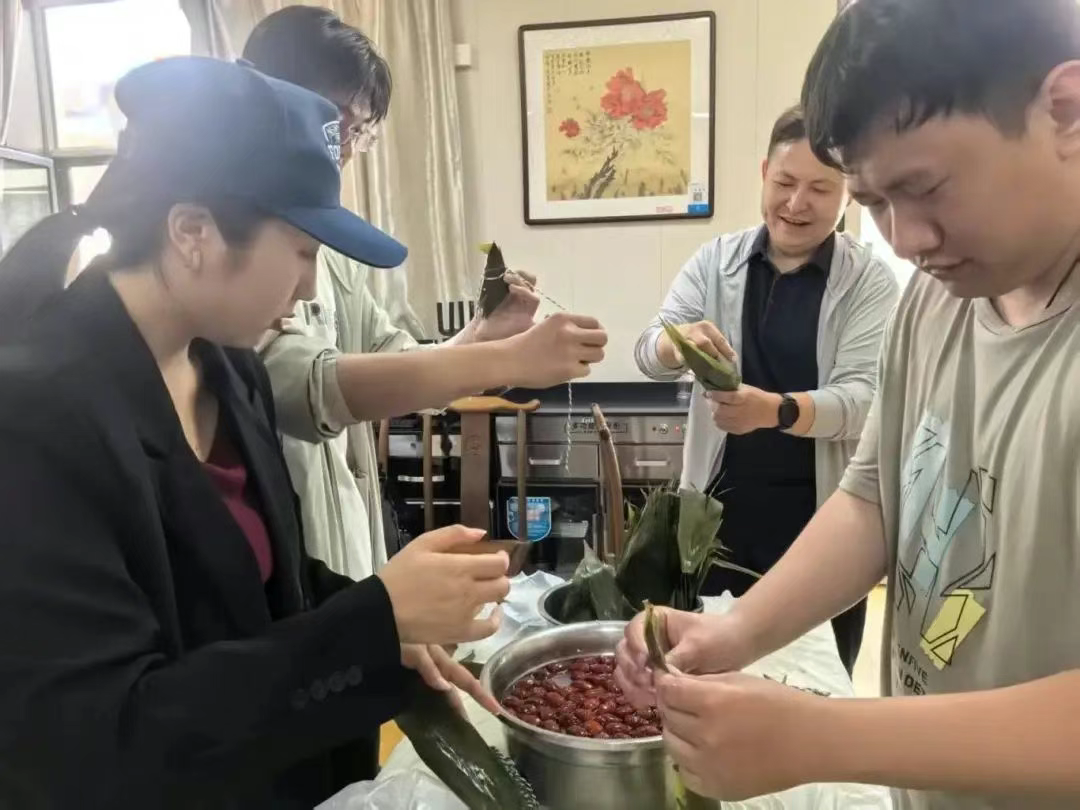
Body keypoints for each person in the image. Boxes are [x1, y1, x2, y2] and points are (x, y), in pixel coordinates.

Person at [0, 56, 605, 809]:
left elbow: (273, 584)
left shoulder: (230, 369)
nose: (311, 285)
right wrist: (373, 618)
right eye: (301, 252)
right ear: (192, 232)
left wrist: (395, 620)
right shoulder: (37, 416)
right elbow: (100, 740)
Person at [617, 0, 1080, 806]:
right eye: (875, 202)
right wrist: (734, 632)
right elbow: (873, 499)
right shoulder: (936, 300)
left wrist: (820, 736)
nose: (905, 240)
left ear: (1065, 111)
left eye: (924, 187)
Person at [245, 6, 551, 579]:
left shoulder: (336, 249)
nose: (346, 148)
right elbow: (305, 384)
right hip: (275, 535)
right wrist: (506, 359)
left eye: (360, 131)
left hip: (344, 532)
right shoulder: (239, 230)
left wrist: (483, 336)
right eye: (340, 121)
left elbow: (395, 361)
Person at [634, 104, 898, 673]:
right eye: (784, 182)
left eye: (820, 189)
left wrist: (774, 411)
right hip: (719, 521)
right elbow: (648, 352)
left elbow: (863, 401)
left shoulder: (868, 281)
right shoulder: (715, 262)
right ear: (763, 174)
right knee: (706, 670)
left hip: (822, 524)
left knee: (813, 681)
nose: (797, 203)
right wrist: (676, 343)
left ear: (849, 194)